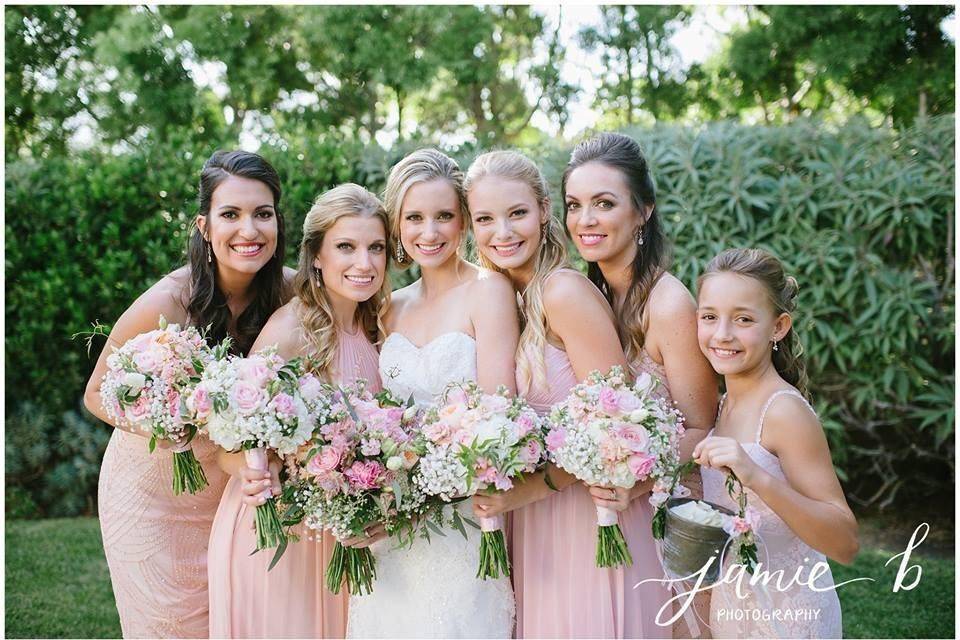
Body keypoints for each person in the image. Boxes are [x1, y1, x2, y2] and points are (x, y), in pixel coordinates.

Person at [84, 150, 292, 638]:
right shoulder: (168, 301)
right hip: (153, 494)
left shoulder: (289, 293)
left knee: (237, 622)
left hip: (231, 488)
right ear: (204, 226)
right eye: (231, 215)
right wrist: (169, 421)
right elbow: (98, 393)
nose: (249, 230)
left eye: (262, 214)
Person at [465, 149, 673, 638]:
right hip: (530, 522)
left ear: (543, 211)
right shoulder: (496, 300)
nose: (504, 232)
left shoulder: (563, 292)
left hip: (590, 519)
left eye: (517, 213)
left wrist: (531, 489)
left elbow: (619, 430)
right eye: (485, 219)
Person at [345, 148, 519, 638]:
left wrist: (418, 494)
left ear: (463, 220)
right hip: (389, 521)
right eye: (415, 217)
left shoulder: (490, 291)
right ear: (396, 225)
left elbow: (497, 414)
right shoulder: (388, 308)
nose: (430, 232)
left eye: (444, 216)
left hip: (462, 516)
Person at [208, 183, 389, 638]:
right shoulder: (292, 328)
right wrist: (251, 471)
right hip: (278, 535)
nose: (363, 263)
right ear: (317, 257)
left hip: (341, 533)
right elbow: (232, 440)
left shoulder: (379, 328)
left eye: (376, 248)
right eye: (346, 247)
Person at [562, 132, 719, 638]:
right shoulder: (585, 294)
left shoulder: (669, 303)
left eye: (604, 203)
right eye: (575, 205)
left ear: (643, 211)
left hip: (666, 520)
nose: (585, 220)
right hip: (606, 514)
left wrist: (633, 471)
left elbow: (704, 428)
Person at [694, 247, 857, 638]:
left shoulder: (784, 412)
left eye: (744, 319)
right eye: (709, 317)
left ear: (778, 327)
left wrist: (756, 476)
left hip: (788, 617)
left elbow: (845, 541)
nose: (722, 334)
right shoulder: (721, 405)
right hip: (733, 613)